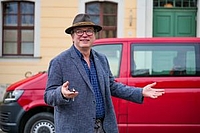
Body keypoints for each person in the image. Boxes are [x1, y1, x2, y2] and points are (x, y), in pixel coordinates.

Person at [44, 13, 165, 133]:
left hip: (103, 127)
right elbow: (48, 96)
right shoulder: (59, 62)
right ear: (72, 36)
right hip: (74, 129)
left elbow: (112, 86)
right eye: (79, 31)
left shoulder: (101, 59)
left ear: (94, 35)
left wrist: (140, 92)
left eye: (89, 31)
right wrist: (61, 93)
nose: (84, 35)